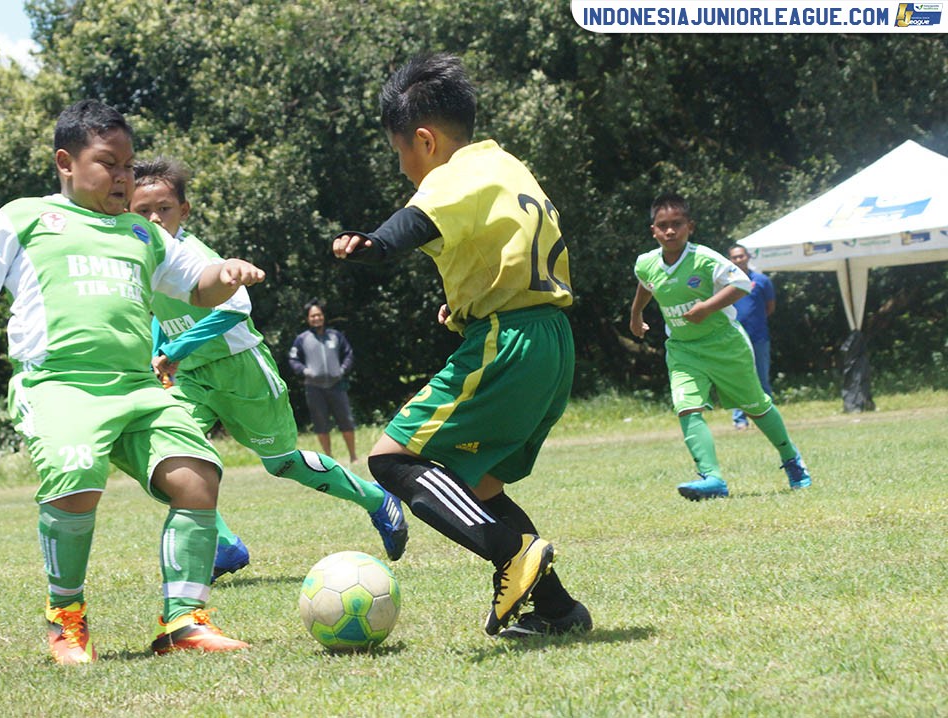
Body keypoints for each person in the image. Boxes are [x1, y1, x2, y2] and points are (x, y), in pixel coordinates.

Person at [0, 100, 265, 665]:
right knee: (75, 476)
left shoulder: (143, 232)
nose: (122, 177)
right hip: (59, 385)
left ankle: (183, 622)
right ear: (66, 162)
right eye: (108, 163)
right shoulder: (26, 216)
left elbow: (196, 284)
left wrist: (225, 272)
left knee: (197, 475)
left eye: (129, 166)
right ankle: (66, 620)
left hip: (137, 386)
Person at [331, 52, 592, 639]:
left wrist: (374, 243)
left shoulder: (451, 174)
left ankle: (509, 552)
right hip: (550, 337)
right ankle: (557, 610)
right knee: (479, 483)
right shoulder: (506, 165)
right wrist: (471, 303)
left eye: (401, 153)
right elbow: (506, 242)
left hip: (510, 339)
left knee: (390, 460)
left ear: (424, 140)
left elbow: (418, 220)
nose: (404, 168)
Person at [130, 158, 408, 579]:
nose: (153, 218)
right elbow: (157, 311)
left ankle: (376, 499)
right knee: (164, 455)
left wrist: (177, 350)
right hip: (191, 378)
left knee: (282, 463)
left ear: (183, 211)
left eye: (163, 208)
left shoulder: (193, 254)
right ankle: (224, 547)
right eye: (142, 210)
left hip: (242, 371)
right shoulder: (143, 256)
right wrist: (160, 352)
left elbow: (238, 307)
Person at [629, 193, 811, 500]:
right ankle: (712, 478)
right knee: (686, 406)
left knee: (756, 405)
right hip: (683, 349)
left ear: (690, 226)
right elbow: (646, 285)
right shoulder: (646, 263)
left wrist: (706, 309)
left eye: (677, 224)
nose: (670, 231)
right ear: (653, 231)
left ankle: (792, 460)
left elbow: (741, 284)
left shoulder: (704, 258)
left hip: (725, 344)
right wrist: (635, 314)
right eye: (663, 225)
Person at [287, 302, 359, 462]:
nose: (316, 318)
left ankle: (353, 457)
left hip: (337, 386)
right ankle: (329, 458)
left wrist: (342, 370)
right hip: (314, 388)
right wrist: (304, 371)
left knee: (346, 420)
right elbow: (293, 359)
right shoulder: (302, 339)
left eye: (319, 315)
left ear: (323, 316)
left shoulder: (336, 336)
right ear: (308, 319)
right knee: (321, 424)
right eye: (313, 316)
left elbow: (348, 354)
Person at [727, 244, 776, 430]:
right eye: (734, 257)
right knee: (738, 379)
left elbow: (770, 307)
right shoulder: (726, 282)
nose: (738, 260)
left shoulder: (762, 280)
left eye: (741, 256)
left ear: (747, 257)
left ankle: (769, 418)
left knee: (762, 378)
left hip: (759, 337)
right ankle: (740, 420)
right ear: (730, 260)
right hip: (734, 339)